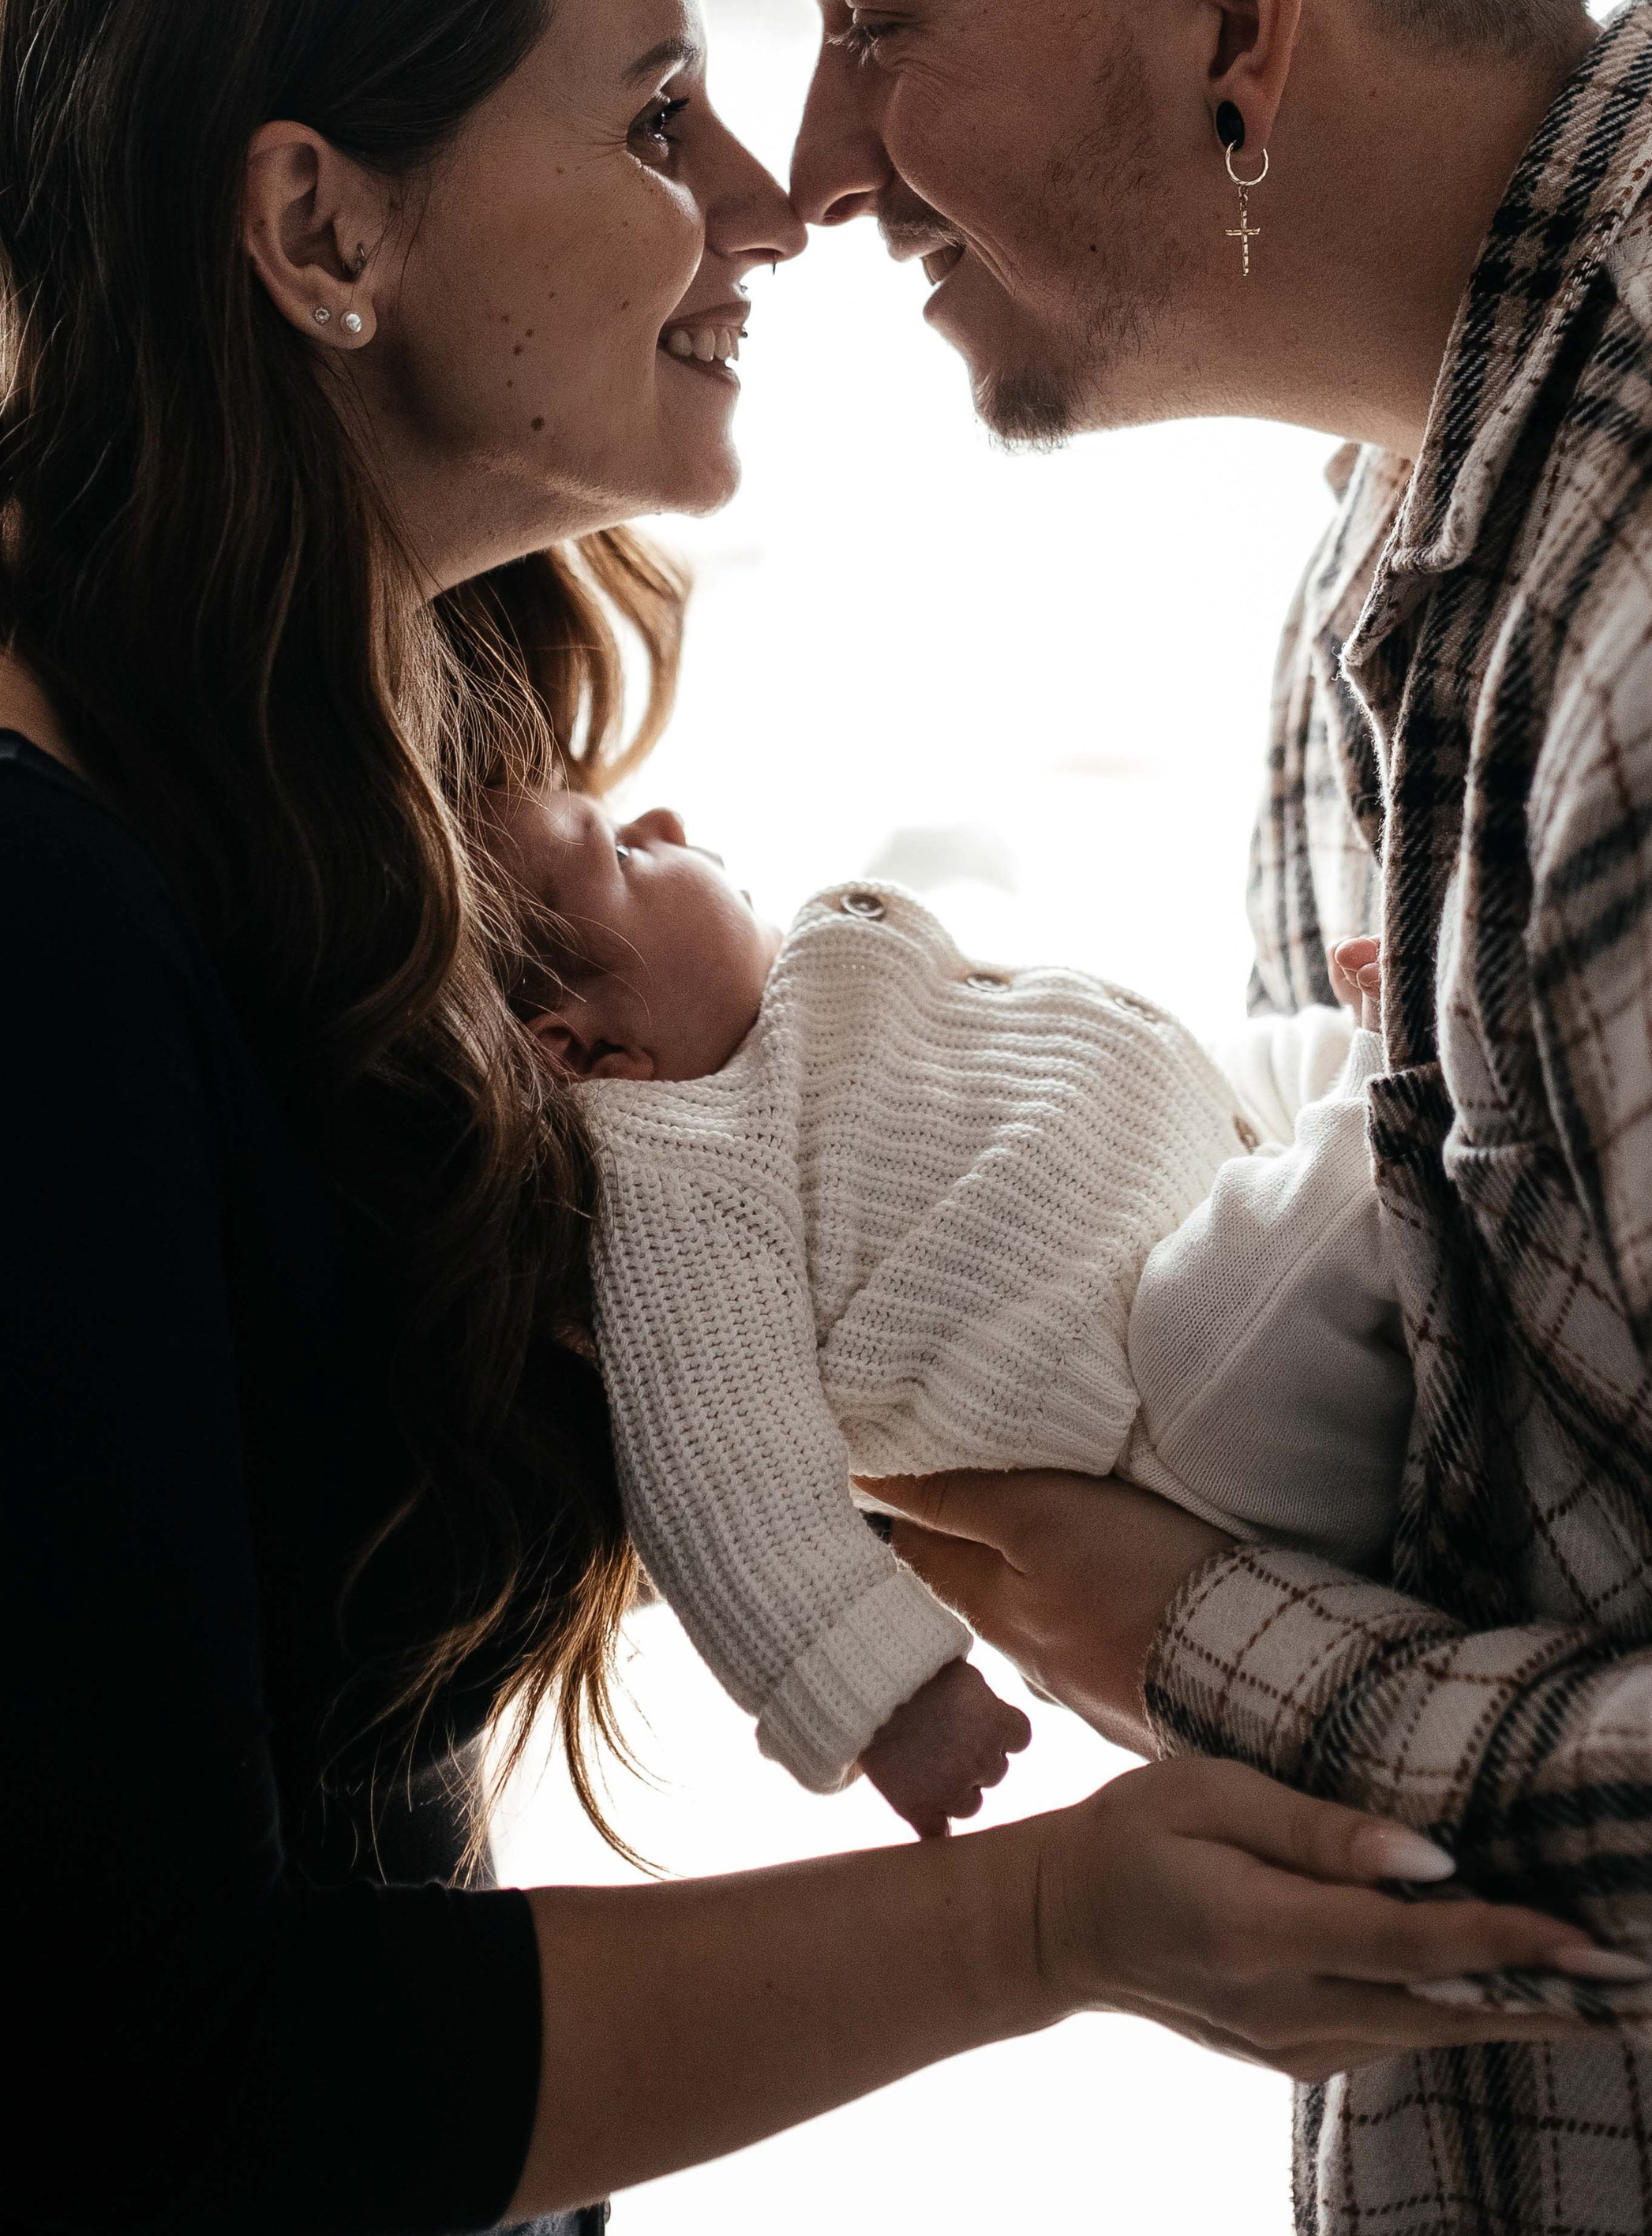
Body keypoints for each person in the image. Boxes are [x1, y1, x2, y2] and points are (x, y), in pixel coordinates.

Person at [0, 0, 1608, 2236]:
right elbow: (134, 2065)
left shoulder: (316, 745)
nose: (785, 199)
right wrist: (1041, 1921)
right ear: (319, 224)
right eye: (661, 113)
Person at [753, 0, 1652, 2236]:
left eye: (880, 25)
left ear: (1237, 3)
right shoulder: (1410, 532)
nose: (811, 160)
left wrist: (1177, 1635)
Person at [495, 781, 1410, 1839]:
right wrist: (886, 1696)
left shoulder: (793, 1004)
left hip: (1210, 1170)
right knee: (1240, 1298)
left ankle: (1361, 1087)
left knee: (1266, 1070)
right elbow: (718, 1464)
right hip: (1188, 1414)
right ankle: (1392, 1093)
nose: (660, 823)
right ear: (583, 1050)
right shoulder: (673, 1166)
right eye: (618, 854)